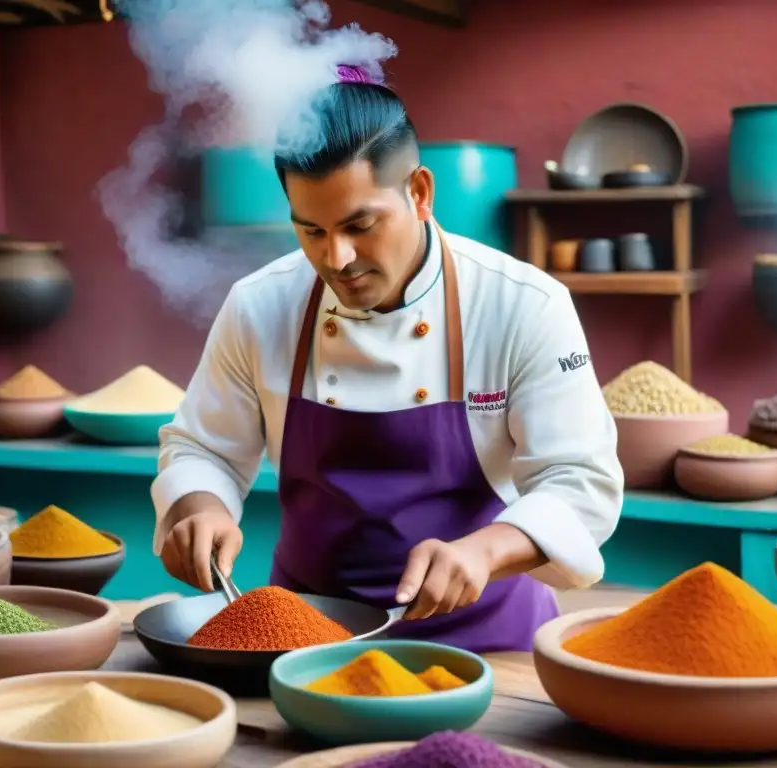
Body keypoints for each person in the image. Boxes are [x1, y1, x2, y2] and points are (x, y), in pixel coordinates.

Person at [150, 65, 623, 652]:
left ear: (419, 193)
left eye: (360, 225)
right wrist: (202, 507)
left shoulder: (522, 304)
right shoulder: (261, 304)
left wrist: (483, 550)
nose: (337, 257)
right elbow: (203, 446)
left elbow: (579, 480)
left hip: (487, 641)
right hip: (306, 640)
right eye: (310, 231)